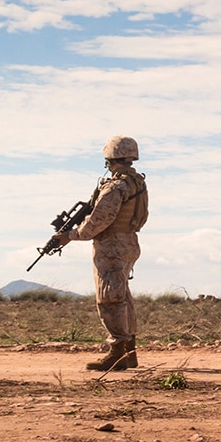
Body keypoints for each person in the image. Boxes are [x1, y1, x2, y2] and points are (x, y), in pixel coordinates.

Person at [55, 136, 149, 371]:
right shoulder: (138, 184)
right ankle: (129, 352)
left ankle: (117, 353)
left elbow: (98, 221)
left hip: (112, 246)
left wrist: (71, 235)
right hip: (129, 242)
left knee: (110, 298)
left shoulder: (116, 187)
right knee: (123, 298)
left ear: (110, 159)